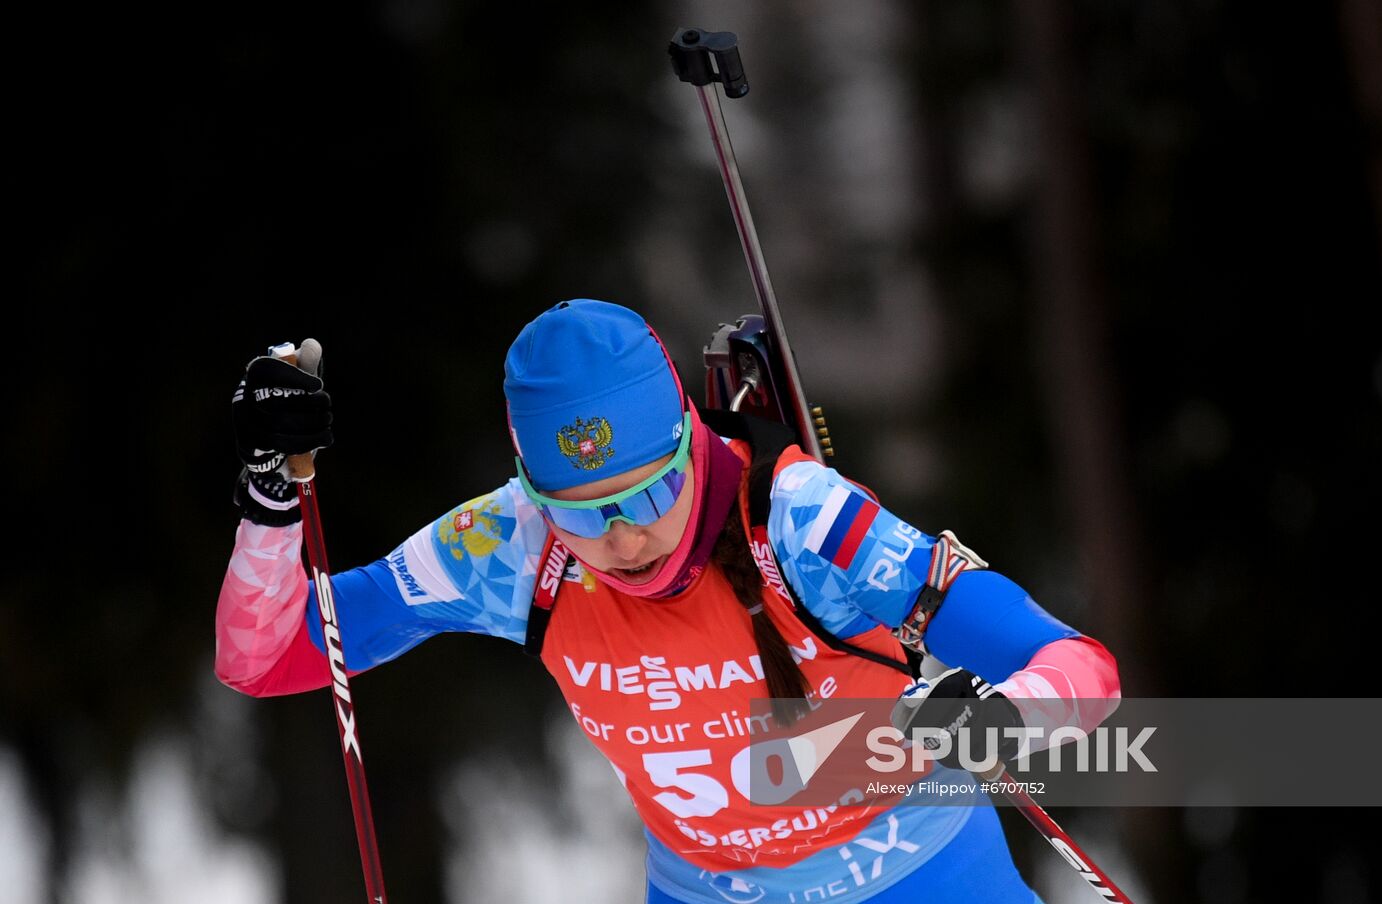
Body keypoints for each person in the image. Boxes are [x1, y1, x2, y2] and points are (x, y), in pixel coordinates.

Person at [216, 299, 1121, 903]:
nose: (625, 537)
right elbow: (269, 657)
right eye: (582, 512)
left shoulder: (799, 521)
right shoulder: (508, 546)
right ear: (535, 491)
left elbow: (1084, 670)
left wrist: (987, 725)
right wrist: (267, 496)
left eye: (650, 493)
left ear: (692, 440)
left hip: (914, 872)